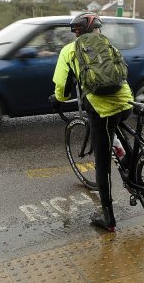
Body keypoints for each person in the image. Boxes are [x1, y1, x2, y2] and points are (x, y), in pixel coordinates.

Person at [50, 12, 133, 232]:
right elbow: (121, 72)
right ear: (96, 29)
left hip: (100, 111)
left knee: (102, 165)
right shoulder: (108, 44)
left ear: (78, 32)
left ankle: (108, 218)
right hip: (126, 103)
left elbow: (62, 86)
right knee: (116, 129)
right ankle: (130, 166)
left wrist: (57, 99)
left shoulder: (69, 51)